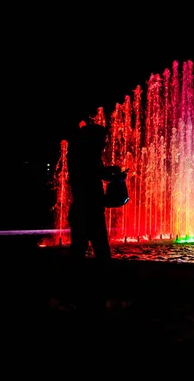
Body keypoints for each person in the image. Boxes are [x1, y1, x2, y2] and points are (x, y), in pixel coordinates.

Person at [66, 118, 127, 314]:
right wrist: (113, 176)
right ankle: (92, 297)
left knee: (82, 253)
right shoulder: (85, 157)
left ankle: (77, 296)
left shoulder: (82, 156)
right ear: (93, 140)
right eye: (102, 139)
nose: (105, 143)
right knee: (97, 254)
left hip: (86, 211)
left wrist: (112, 173)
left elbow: (97, 173)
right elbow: (92, 176)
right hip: (87, 213)